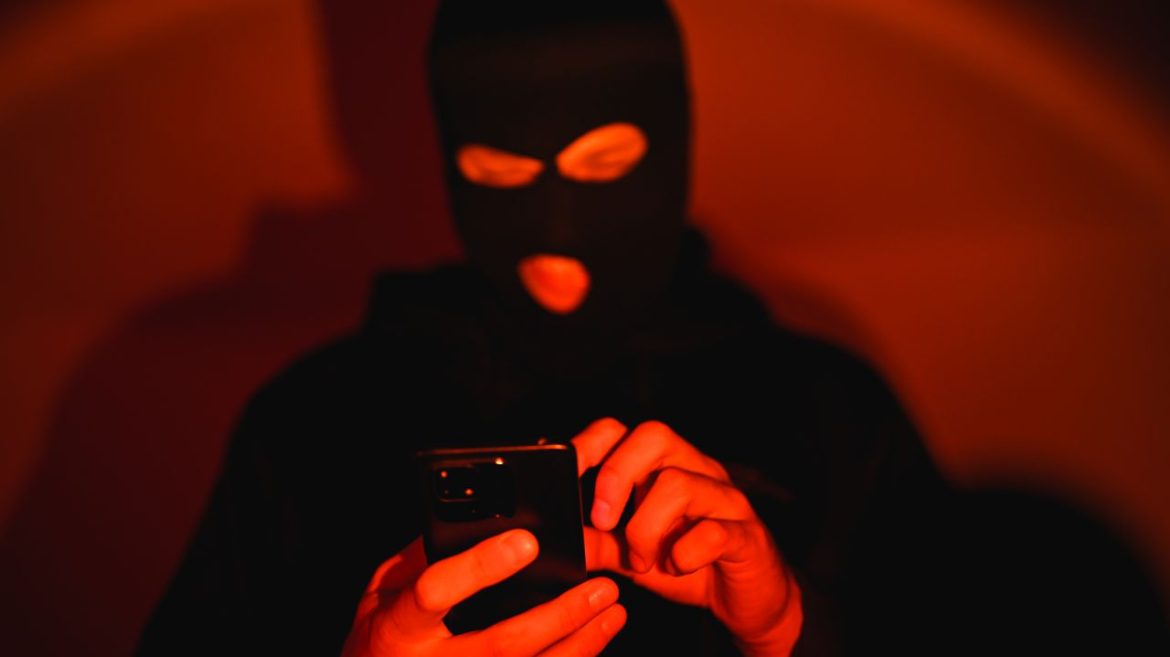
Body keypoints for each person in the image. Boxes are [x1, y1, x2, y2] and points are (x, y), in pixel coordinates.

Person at [135, 2, 1170, 655]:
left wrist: (792, 627)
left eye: (604, 164)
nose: (552, 226)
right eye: (499, 172)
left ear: (670, 144)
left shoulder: (829, 409)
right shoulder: (308, 423)